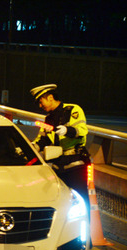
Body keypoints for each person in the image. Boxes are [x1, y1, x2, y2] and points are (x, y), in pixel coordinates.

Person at [30, 84, 91, 217]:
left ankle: (85, 233)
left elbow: (82, 130)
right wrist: (33, 147)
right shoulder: (48, 119)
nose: (40, 106)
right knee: (61, 203)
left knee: (81, 201)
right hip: (58, 166)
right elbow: (43, 139)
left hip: (75, 164)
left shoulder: (72, 110)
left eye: (41, 102)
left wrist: (67, 130)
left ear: (50, 97)